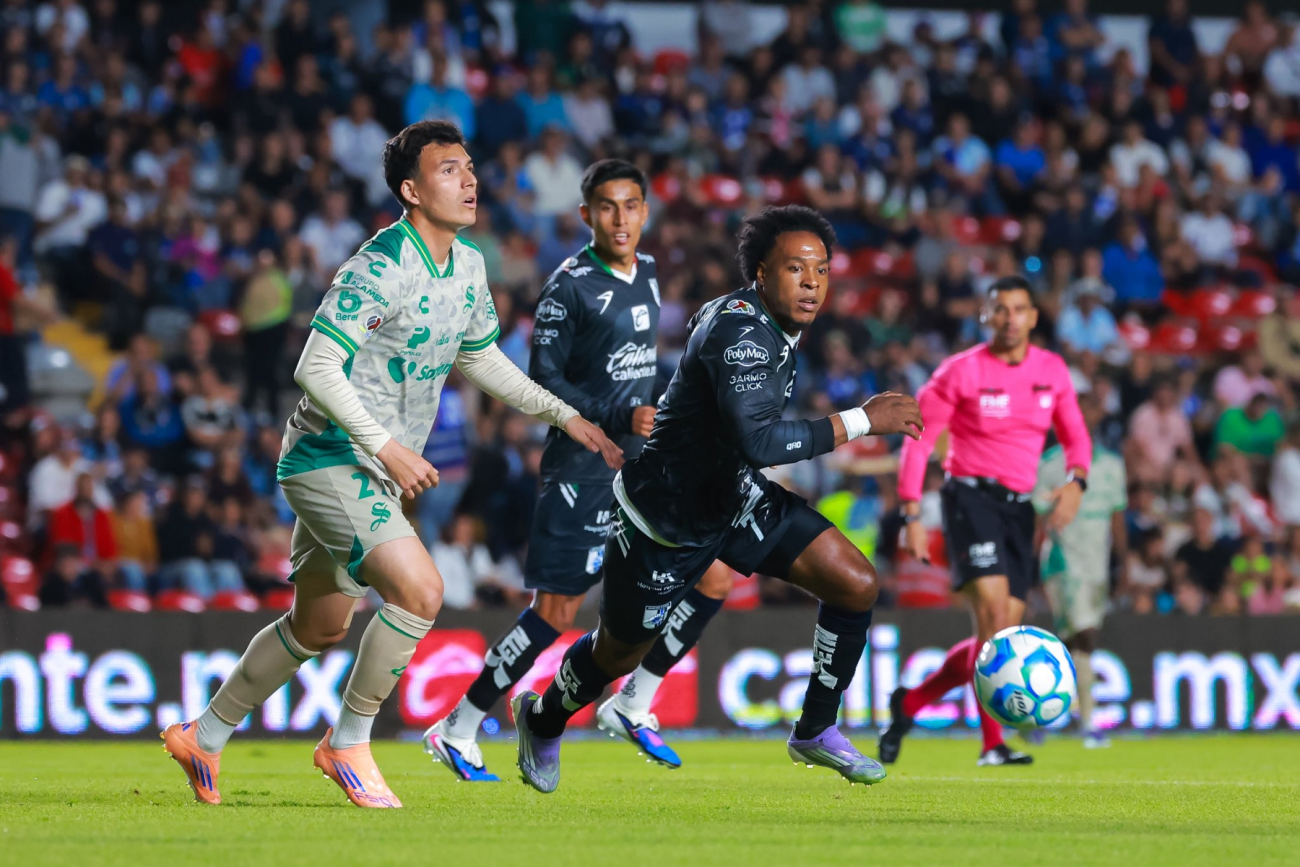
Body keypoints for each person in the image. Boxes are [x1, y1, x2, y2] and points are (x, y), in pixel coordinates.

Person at [161, 120, 622, 809]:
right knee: (420, 590)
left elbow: (479, 357)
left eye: (469, 166)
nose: (468, 179)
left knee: (318, 624)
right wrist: (386, 443)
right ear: (411, 189)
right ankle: (348, 741)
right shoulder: (379, 265)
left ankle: (205, 732)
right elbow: (313, 364)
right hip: (330, 454)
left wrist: (563, 413)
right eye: (447, 170)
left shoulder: (466, 264)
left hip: (373, 464)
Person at [512, 205, 923, 793]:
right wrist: (862, 420)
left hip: (731, 498)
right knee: (618, 654)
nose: (812, 282)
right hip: (665, 519)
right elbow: (758, 441)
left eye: (822, 270)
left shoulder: (774, 321)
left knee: (855, 583)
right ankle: (543, 715)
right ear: (760, 273)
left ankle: (814, 728)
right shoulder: (741, 334)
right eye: (795, 269)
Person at [424, 160, 734, 781]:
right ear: (585, 214)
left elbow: (640, 377)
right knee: (556, 613)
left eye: (631, 206)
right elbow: (545, 380)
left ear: (646, 212)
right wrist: (621, 411)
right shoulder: (569, 285)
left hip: (643, 465)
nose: (620, 219)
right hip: (581, 467)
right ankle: (457, 725)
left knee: (716, 573)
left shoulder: (646, 273)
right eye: (607, 207)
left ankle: (634, 701)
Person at [881, 275, 1091, 767]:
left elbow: (1077, 437)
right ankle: (992, 744)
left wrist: (1076, 482)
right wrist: (911, 510)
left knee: (1000, 636)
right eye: (1000, 309)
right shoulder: (960, 372)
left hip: (1019, 509)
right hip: (969, 498)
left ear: (1034, 317)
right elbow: (918, 439)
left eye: (1019, 309)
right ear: (985, 316)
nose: (1010, 318)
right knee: (996, 620)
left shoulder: (1052, 370)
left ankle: (910, 701)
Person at [1033, 393, 1127, 749]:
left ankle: (1040, 718)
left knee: (1073, 642)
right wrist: (1028, 565)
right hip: (1062, 561)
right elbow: (1038, 516)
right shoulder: (1051, 463)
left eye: (1091, 410)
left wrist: (1124, 561)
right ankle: (1086, 722)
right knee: (1083, 636)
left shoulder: (1112, 465)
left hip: (1097, 565)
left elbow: (1117, 515)